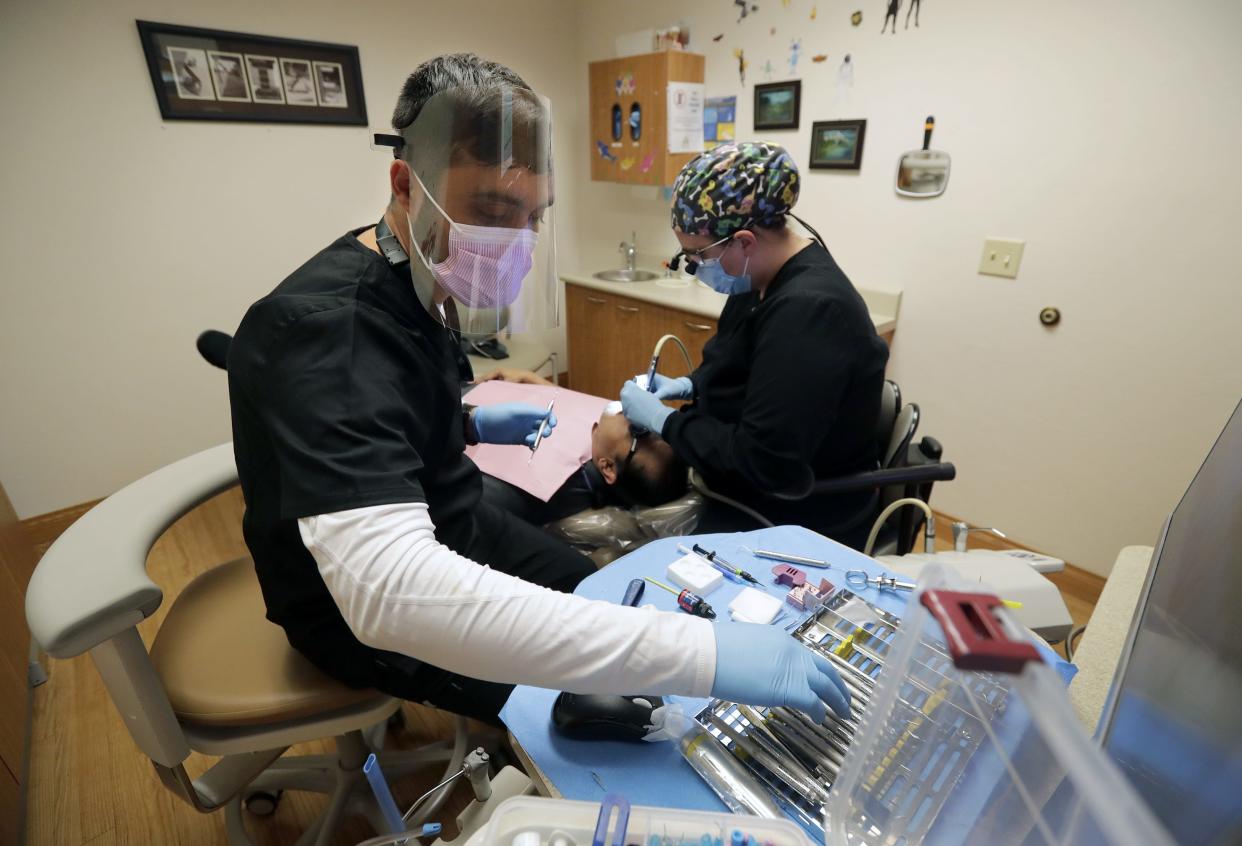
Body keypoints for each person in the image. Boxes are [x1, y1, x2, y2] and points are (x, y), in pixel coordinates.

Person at [227, 54, 850, 726]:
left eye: (533, 216)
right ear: (406, 184)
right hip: (350, 612)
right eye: (494, 211)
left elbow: (386, 404)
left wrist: (465, 424)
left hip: (456, 520)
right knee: (613, 707)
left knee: (613, 594)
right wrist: (700, 655)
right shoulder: (323, 328)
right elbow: (392, 593)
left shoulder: (418, 277)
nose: (515, 242)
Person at [620, 141, 889, 550]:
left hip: (793, 513)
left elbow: (765, 463)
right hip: (740, 483)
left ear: (744, 241)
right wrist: (693, 385)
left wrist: (665, 422)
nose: (693, 267)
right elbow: (747, 362)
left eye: (697, 254)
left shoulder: (811, 311)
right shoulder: (759, 280)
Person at [478, 396, 689, 526]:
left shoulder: (557, 484)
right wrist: (531, 380)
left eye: (639, 432)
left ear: (606, 466)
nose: (639, 418)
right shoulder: (608, 437)